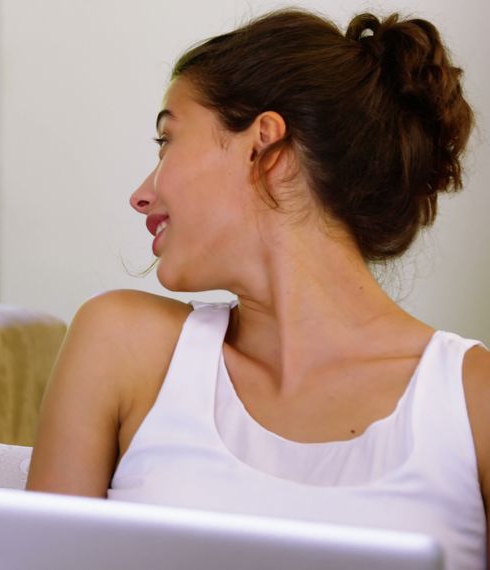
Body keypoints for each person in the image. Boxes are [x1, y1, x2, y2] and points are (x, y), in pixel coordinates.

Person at [26, 9, 487, 569]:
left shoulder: (473, 399)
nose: (141, 194)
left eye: (167, 139)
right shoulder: (120, 346)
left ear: (264, 145)